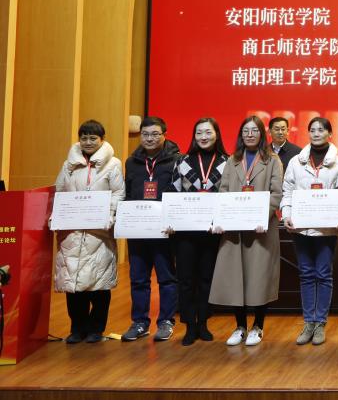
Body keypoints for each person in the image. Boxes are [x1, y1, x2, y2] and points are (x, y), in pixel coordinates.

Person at [209, 116, 283, 346]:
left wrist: (262, 216)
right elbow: (223, 192)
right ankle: (240, 326)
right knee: (235, 277)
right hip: (234, 230)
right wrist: (221, 218)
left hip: (261, 230)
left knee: (259, 278)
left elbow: (277, 193)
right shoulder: (232, 160)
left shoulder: (273, 160)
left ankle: (258, 326)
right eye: (246, 131)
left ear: (262, 134)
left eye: (254, 131)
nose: (250, 135)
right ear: (241, 135)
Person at [53, 120, 125, 344]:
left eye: (93, 138)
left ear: (102, 139)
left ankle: (96, 328)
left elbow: (118, 193)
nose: (88, 142)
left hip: (99, 233)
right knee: (73, 284)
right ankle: (77, 328)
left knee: (99, 283)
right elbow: (60, 192)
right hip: (72, 232)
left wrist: (109, 215)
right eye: (84, 138)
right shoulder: (68, 164)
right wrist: (58, 215)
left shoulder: (113, 164)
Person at [282, 117, 338, 346]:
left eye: (321, 130)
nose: (316, 133)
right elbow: (288, 191)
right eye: (312, 130)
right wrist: (287, 214)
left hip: (326, 229)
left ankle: (320, 323)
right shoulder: (296, 162)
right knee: (306, 274)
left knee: (323, 273)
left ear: (330, 134)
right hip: (300, 227)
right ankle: (308, 322)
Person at [121, 117, 180, 343]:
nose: (149, 138)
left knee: (166, 278)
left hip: (164, 230)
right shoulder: (132, 162)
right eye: (145, 134)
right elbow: (127, 193)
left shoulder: (177, 160)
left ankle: (166, 321)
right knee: (138, 279)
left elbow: (180, 194)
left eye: (155, 134)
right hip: (138, 229)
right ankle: (140, 322)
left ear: (164, 134)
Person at [170, 117, 227, 346]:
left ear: (216, 134)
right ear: (194, 136)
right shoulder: (182, 161)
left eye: (208, 132)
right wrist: (171, 219)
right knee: (185, 280)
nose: (204, 137)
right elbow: (173, 192)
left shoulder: (227, 162)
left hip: (213, 231)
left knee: (206, 278)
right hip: (185, 232)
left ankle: (203, 322)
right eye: (199, 133)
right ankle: (189, 326)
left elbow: (229, 195)